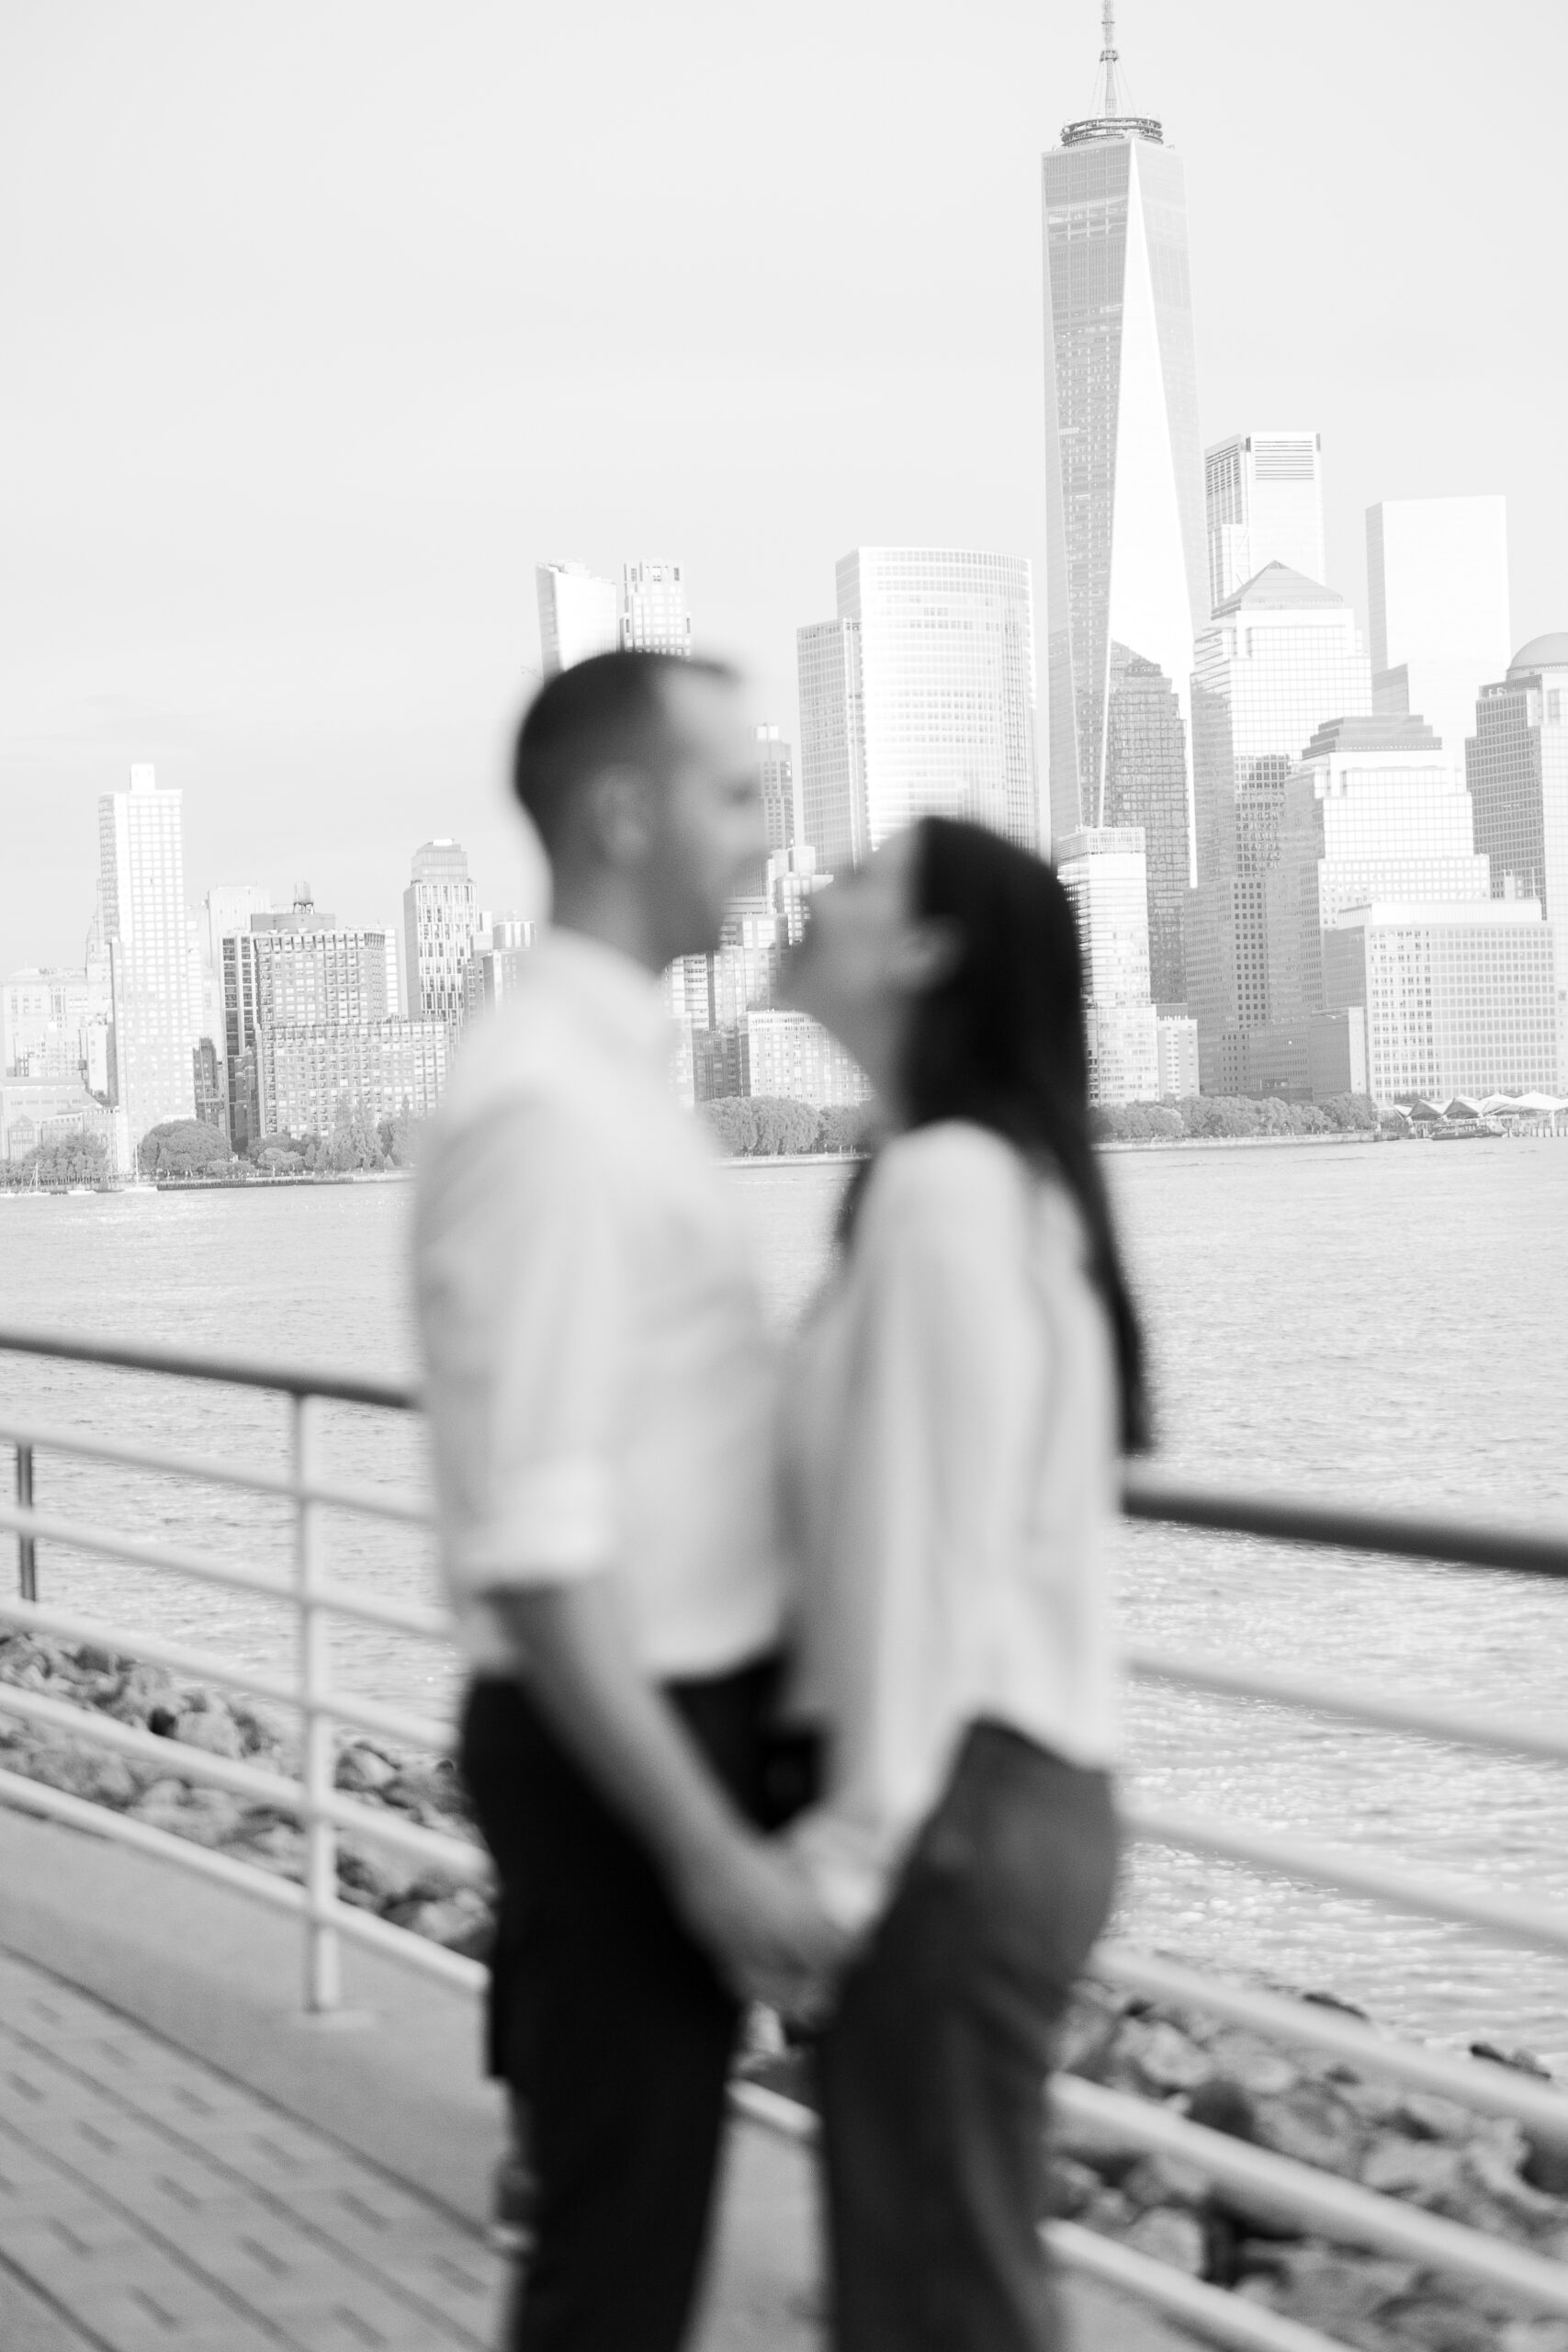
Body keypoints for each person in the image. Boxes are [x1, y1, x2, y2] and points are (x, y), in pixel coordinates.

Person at [413, 650, 841, 2352]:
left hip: (668, 1728)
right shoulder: (549, 1112)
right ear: (617, 810)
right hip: (624, 1756)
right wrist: (710, 1853)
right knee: (614, 2281)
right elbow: (539, 1545)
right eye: (735, 790)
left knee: (631, 2263)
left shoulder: (611, 1080)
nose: (765, 833)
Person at [777, 815, 1148, 2352]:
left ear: (927, 952)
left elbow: (926, 1549)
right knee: (944, 2288)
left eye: (858, 878)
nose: (814, 886)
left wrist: (848, 1852)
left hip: (955, 1807)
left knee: (939, 2303)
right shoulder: (987, 1182)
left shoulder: (943, 1188)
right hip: (1011, 1792)